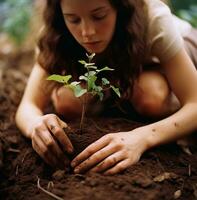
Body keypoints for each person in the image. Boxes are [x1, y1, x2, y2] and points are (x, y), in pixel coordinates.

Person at [15, 0, 197, 175]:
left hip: (164, 58)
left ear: (121, 6)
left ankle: (160, 108)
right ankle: (120, 103)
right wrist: (35, 125)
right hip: (113, 75)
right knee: (67, 100)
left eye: (99, 16)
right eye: (73, 19)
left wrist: (142, 138)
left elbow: (195, 104)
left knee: (150, 95)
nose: (87, 32)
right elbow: (28, 106)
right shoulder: (54, 31)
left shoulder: (154, 18)